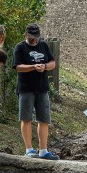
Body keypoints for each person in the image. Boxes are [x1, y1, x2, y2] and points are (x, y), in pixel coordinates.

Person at [13, 23, 59, 160]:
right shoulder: (20, 47)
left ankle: (43, 150)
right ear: (25, 35)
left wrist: (44, 66)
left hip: (42, 88)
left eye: (36, 36)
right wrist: (33, 67)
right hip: (26, 88)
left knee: (44, 119)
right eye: (32, 37)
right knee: (26, 118)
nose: (34, 39)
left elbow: (52, 63)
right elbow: (18, 67)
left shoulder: (43, 45)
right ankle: (29, 149)